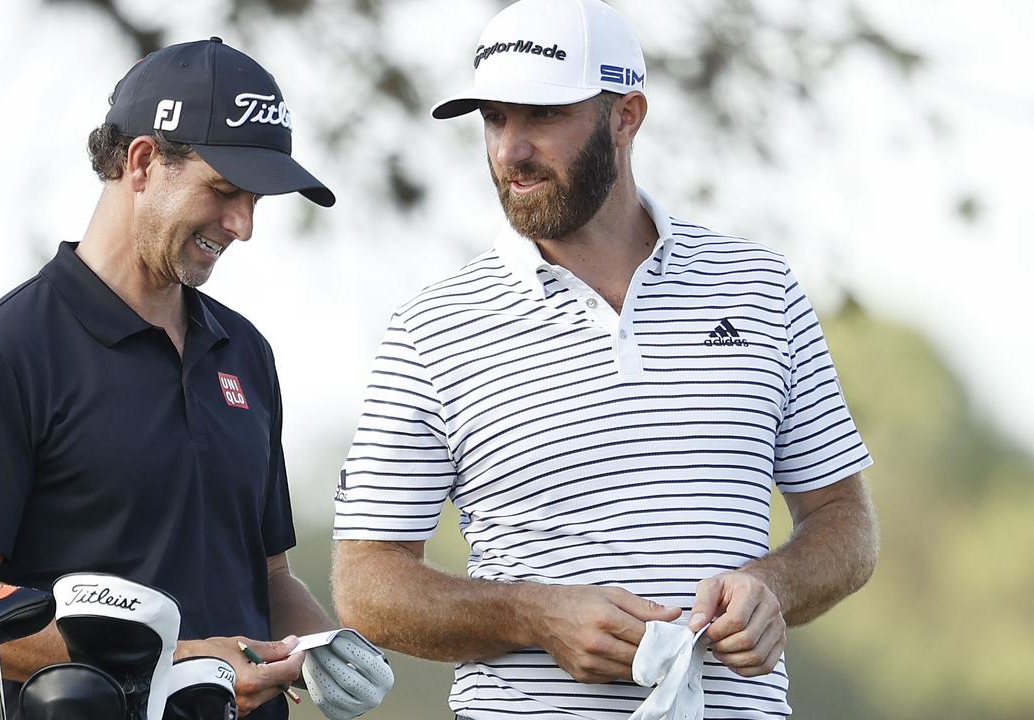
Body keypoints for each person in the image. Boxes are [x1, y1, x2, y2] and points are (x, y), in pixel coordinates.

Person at [330, 1, 879, 718]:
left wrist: (774, 587)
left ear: (626, 116)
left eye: (542, 116)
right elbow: (367, 583)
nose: (510, 150)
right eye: (495, 119)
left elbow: (845, 521)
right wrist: (533, 616)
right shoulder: (431, 328)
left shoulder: (760, 289)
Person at [0, 38, 368, 720]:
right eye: (224, 191)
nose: (242, 225)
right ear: (144, 162)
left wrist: (326, 647)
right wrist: (169, 664)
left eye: (255, 201)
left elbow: (266, 580)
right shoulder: (0, 355)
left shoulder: (245, 354)